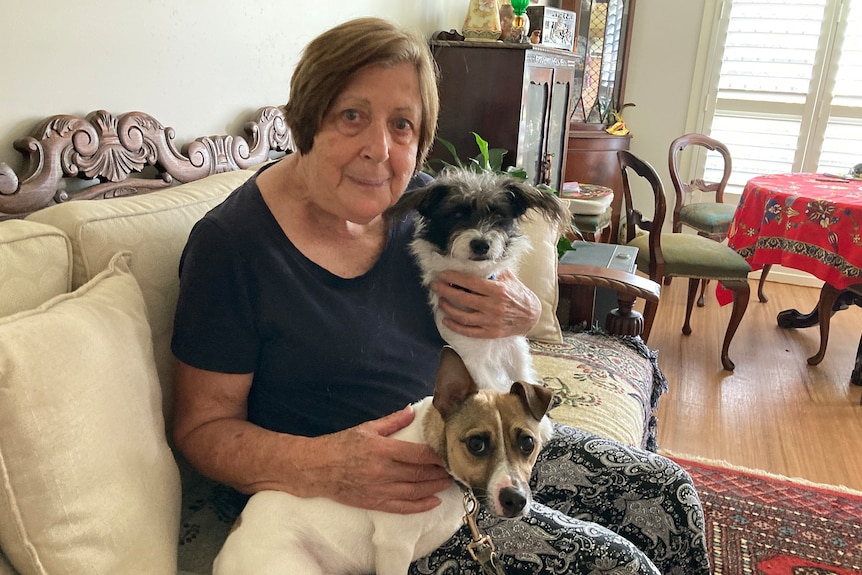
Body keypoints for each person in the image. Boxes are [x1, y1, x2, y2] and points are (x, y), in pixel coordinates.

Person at [171, 16, 711, 575]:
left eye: (402, 124)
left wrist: (522, 309)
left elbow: (506, 281)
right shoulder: (233, 246)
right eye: (351, 115)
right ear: (307, 118)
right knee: (620, 567)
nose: (379, 149)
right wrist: (326, 464)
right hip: (365, 508)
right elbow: (200, 430)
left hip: (479, 435)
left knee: (666, 493)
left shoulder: (424, 206)